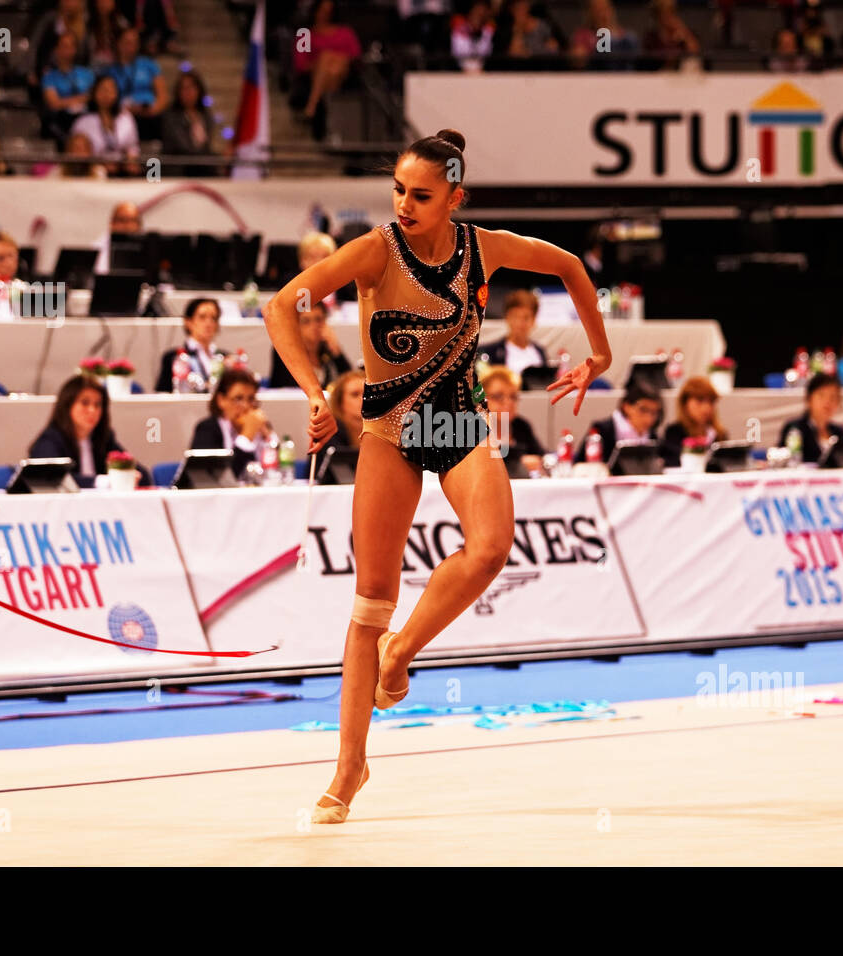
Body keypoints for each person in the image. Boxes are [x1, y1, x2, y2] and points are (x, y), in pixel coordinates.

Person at [261, 128, 611, 822]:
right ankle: (349, 768)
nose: (405, 203)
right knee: (368, 606)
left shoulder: (484, 248)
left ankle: (403, 654)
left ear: (455, 195)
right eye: (397, 189)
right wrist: (309, 392)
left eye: (421, 194)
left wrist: (598, 353)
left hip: (454, 422)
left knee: (489, 549)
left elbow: (571, 264)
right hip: (389, 431)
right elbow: (281, 306)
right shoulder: (372, 251)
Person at [28, 373, 150, 487]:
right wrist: (103, 482)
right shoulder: (51, 440)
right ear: (67, 406)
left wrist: (130, 476)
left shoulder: (103, 438)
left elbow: (142, 475)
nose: (92, 410)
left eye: (97, 405)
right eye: (85, 403)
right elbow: (52, 478)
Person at [290, 1, 361, 141]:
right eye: (322, 11)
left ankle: (312, 105)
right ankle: (328, 119)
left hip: (343, 73)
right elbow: (301, 64)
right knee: (326, 59)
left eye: (328, 12)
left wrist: (334, 59)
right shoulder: (305, 34)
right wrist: (323, 62)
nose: (325, 15)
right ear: (315, 11)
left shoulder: (345, 32)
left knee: (332, 61)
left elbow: (355, 55)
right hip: (316, 76)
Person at [188, 366, 270, 474]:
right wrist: (247, 436)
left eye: (251, 399)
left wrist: (268, 438)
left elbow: (278, 470)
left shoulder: (258, 425)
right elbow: (217, 477)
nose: (246, 406)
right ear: (221, 400)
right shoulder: (207, 429)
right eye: (238, 399)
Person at [571, 378, 661, 464]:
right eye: (643, 410)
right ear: (627, 407)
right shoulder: (602, 430)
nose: (648, 418)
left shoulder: (652, 435)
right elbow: (581, 463)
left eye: (654, 412)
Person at [266, 301, 351, 389]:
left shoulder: (327, 347)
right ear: (295, 326)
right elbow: (281, 387)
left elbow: (349, 382)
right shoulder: (285, 350)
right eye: (306, 321)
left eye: (318, 319)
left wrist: (337, 352)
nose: (314, 326)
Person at [104, 26, 167, 140]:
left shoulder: (148, 65)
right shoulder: (111, 71)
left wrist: (151, 111)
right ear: (118, 44)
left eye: (134, 43)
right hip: (122, 115)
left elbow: (163, 96)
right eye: (127, 42)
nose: (131, 47)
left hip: (150, 115)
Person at [71, 73, 140, 174]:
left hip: (123, 170)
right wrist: (100, 164)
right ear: (94, 93)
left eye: (111, 90)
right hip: (93, 171)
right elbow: (77, 153)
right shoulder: (83, 122)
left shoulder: (126, 118)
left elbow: (133, 147)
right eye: (103, 89)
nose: (106, 94)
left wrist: (130, 162)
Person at [481, 364, 545, 472]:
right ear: (481, 399)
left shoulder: (520, 425)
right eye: (498, 397)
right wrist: (517, 463)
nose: (508, 403)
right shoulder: (473, 429)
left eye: (513, 397)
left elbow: (541, 456)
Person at [155, 297, 228, 391]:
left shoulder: (224, 357)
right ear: (188, 322)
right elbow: (163, 392)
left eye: (213, 318)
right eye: (202, 317)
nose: (208, 323)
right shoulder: (174, 357)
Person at [776, 372, 843, 464]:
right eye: (821, 395)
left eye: (833, 397)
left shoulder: (840, 432)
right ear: (809, 399)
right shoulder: (795, 428)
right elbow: (783, 461)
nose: (827, 402)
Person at [658, 374, 726, 466]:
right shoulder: (674, 433)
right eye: (699, 401)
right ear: (685, 403)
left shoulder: (720, 435)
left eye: (711, 402)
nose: (706, 408)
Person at [41, 31, 95, 141]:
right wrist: (81, 99)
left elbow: (93, 97)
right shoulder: (49, 77)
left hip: (86, 117)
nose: (68, 50)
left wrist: (65, 101)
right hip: (62, 121)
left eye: (71, 46)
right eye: (64, 46)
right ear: (56, 49)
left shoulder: (87, 74)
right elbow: (54, 103)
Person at [160, 70, 216, 176]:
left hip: (200, 167)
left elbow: (206, 145)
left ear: (199, 91)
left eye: (191, 88)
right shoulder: (171, 115)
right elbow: (183, 146)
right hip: (177, 166)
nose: (188, 93)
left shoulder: (206, 115)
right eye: (184, 89)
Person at [480, 288, 548, 374]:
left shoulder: (539, 352)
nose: (520, 323)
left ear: (534, 320)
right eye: (515, 316)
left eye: (526, 318)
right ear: (507, 317)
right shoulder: (490, 352)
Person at [94, 200, 142, 273]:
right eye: (122, 220)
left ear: (139, 225)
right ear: (112, 223)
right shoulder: (96, 249)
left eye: (132, 220)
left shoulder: (148, 249)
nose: (127, 226)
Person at [325, 367, 365, 452]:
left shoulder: (385, 432)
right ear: (340, 402)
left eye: (367, 393)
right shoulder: (329, 433)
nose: (363, 398)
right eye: (355, 394)